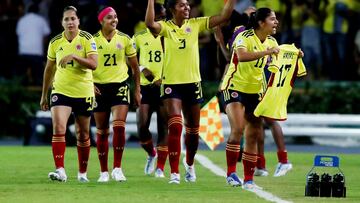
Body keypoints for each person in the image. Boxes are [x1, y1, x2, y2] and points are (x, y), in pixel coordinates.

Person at [145, 0, 235, 184]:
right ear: (172, 9)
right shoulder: (165, 27)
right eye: (181, 5)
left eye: (187, 5)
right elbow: (149, 24)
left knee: (193, 132)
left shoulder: (196, 23)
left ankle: (190, 164)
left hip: (193, 83)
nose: (187, 8)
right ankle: (175, 173)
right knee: (176, 125)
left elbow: (224, 16)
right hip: (171, 83)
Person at [218, 7, 280, 189]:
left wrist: (294, 56)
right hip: (234, 86)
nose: (276, 22)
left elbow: (279, 58)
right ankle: (230, 173)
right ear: (261, 22)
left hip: (255, 91)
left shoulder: (272, 41)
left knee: (253, 133)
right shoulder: (244, 36)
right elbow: (241, 56)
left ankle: (249, 179)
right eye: (272, 19)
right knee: (237, 128)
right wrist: (267, 53)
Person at [40, 6, 98, 182]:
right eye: (66, 19)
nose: (70, 22)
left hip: (83, 90)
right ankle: (60, 170)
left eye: (73, 18)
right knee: (59, 128)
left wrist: (75, 56)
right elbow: (49, 70)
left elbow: (94, 64)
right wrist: (44, 94)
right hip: (61, 90)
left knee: (83, 134)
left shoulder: (87, 38)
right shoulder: (55, 42)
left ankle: (82, 173)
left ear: (78, 21)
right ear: (62, 22)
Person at [93, 6, 141, 183]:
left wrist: (137, 90)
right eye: (109, 18)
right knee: (102, 131)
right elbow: (84, 67)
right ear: (101, 21)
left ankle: (117, 168)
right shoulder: (92, 41)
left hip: (120, 85)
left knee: (119, 126)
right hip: (98, 88)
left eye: (115, 17)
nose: (114, 20)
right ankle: (103, 171)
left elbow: (135, 68)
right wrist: (89, 84)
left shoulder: (125, 39)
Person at [133, 3, 168, 178]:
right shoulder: (139, 37)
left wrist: (165, 77)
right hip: (146, 88)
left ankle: (160, 167)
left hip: (164, 87)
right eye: (157, 17)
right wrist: (141, 68)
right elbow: (129, 59)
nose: (160, 20)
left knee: (163, 127)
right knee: (142, 127)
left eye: (162, 17)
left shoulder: (169, 36)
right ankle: (151, 154)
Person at [16, 3, 50, 85]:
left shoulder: (22, 20)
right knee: (38, 77)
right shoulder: (41, 20)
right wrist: (44, 48)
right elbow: (46, 34)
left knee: (22, 77)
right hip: (37, 51)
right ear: (38, 11)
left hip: (23, 51)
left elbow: (18, 34)